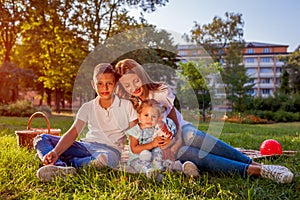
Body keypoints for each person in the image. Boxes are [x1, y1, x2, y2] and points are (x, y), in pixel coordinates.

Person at [114, 58, 294, 184]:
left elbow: (174, 120)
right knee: (190, 154)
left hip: (180, 130)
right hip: (160, 145)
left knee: (194, 138)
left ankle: (256, 164)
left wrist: (175, 142)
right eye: (127, 85)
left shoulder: (160, 91)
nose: (133, 88)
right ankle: (258, 172)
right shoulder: (130, 104)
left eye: (135, 81)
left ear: (142, 75)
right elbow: (137, 136)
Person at [33, 63, 138, 182]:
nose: (105, 88)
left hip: (110, 151)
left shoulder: (126, 106)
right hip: (85, 146)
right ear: (93, 84)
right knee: (41, 139)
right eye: (100, 83)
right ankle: (58, 165)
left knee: (104, 160)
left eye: (109, 83)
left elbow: (135, 134)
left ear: (115, 85)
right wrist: (55, 151)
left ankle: (67, 162)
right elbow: (73, 133)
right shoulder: (87, 107)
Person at [126, 99, 198, 179]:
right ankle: (151, 171)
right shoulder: (135, 130)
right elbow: (134, 149)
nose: (149, 119)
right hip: (138, 158)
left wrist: (169, 142)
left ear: (158, 118)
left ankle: (183, 167)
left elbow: (167, 141)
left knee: (165, 161)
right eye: (146, 115)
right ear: (139, 116)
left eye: (153, 116)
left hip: (155, 157)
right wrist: (152, 144)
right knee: (141, 164)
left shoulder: (157, 129)